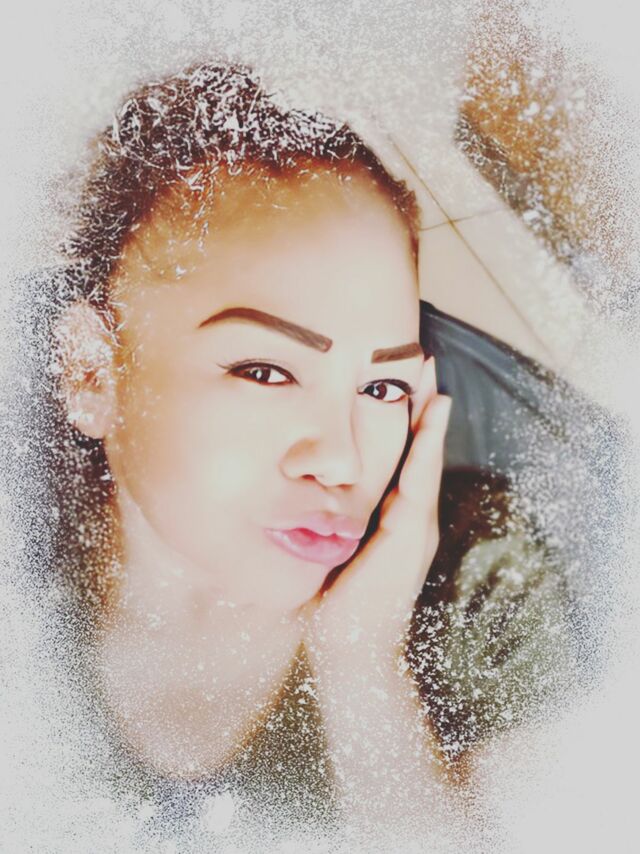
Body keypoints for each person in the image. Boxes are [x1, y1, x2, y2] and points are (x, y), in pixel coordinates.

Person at [41, 61, 578, 846]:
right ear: (94, 372)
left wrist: (361, 661)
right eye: (265, 370)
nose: (344, 462)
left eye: (383, 388)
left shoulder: (482, 576)